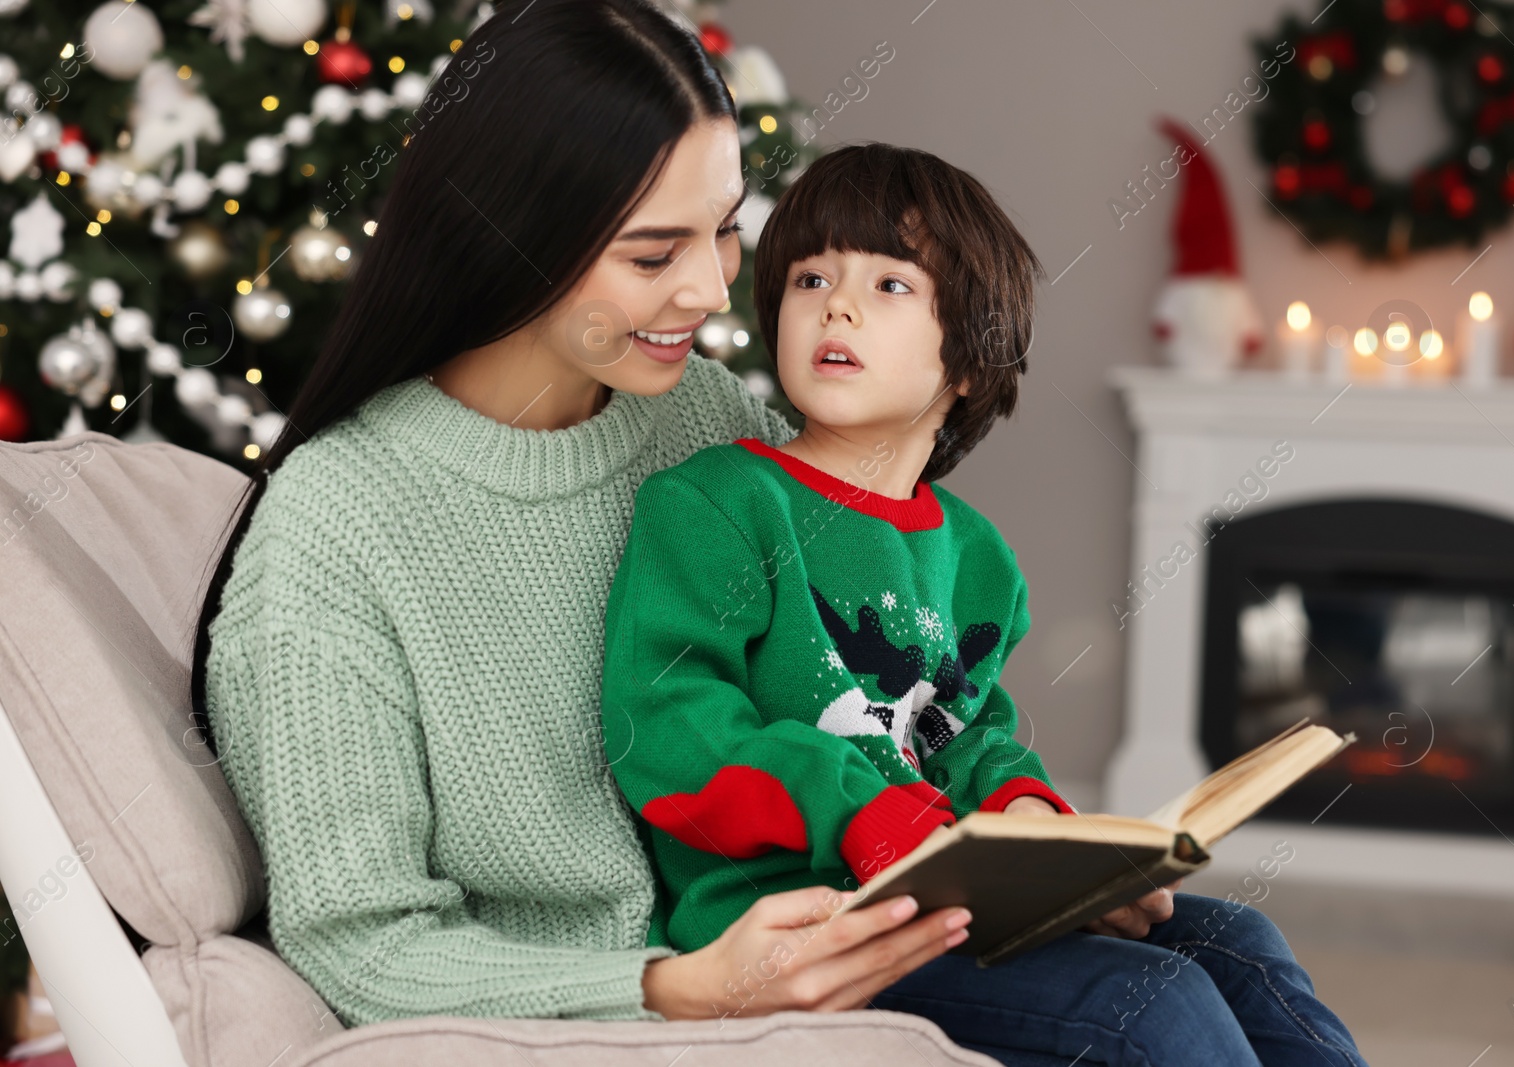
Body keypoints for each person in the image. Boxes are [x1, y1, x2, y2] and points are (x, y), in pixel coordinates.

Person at [190, 1, 1369, 1063]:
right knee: (1146, 1018)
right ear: (509, 239)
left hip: (854, 898)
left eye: (722, 234)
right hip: (671, 967)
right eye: (655, 253)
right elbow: (359, 938)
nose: (712, 294)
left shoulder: (696, 415)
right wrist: (668, 985)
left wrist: (1035, 844)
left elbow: (876, 650)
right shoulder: (336, 531)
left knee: (1239, 952)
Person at [599, 142, 1080, 957]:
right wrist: (857, 810)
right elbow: (667, 726)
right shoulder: (716, 502)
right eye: (811, 279)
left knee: (1235, 944)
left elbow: (964, 737)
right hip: (794, 929)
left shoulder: (980, 559)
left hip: (948, 901)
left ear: (969, 355)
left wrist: (1023, 809)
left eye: (890, 284)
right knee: (1147, 1007)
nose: (836, 308)